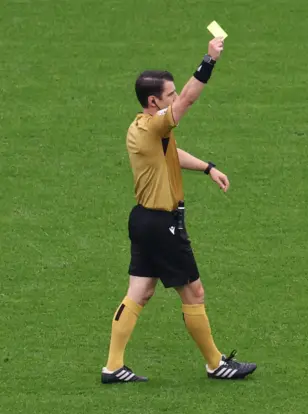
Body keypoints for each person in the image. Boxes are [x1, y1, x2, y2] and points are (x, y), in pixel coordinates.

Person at [101, 37, 257, 384]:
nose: (173, 99)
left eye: (172, 94)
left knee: (140, 291)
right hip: (161, 224)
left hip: (143, 220)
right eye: (168, 95)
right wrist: (209, 61)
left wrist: (207, 167)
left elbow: (171, 153)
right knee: (194, 291)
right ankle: (216, 364)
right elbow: (188, 99)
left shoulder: (143, 129)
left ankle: (113, 367)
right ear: (153, 100)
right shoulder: (156, 123)